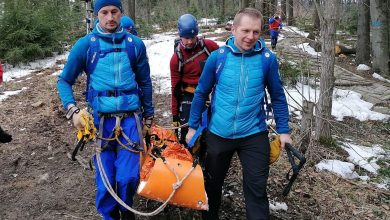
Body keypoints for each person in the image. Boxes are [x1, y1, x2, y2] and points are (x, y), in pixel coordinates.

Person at [185, 8, 292, 220]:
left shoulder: (267, 59)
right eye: (245, 30)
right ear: (233, 29)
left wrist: (284, 130)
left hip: (253, 134)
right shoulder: (218, 58)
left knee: (257, 190)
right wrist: (193, 126)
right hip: (219, 132)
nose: (251, 37)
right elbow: (200, 93)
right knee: (212, 185)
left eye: (256, 32)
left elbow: (278, 97)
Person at [57, 0, 154, 219]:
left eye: (114, 12)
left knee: (128, 178)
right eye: (104, 12)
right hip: (100, 123)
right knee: (106, 183)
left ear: (121, 13)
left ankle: (127, 212)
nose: (110, 17)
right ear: (96, 15)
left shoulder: (134, 44)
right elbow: (64, 81)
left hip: (131, 121)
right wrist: (72, 110)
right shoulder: (86, 45)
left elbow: (145, 82)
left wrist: (149, 116)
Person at [170, 14, 219, 146]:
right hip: (188, 95)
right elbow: (175, 87)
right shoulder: (177, 59)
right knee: (188, 129)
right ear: (180, 36)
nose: (190, 41)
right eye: (186, 38)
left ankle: (206, 157)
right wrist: (175, 114)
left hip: (210, 93)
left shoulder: (209, 47)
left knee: (211, 129)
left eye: (192, 37)